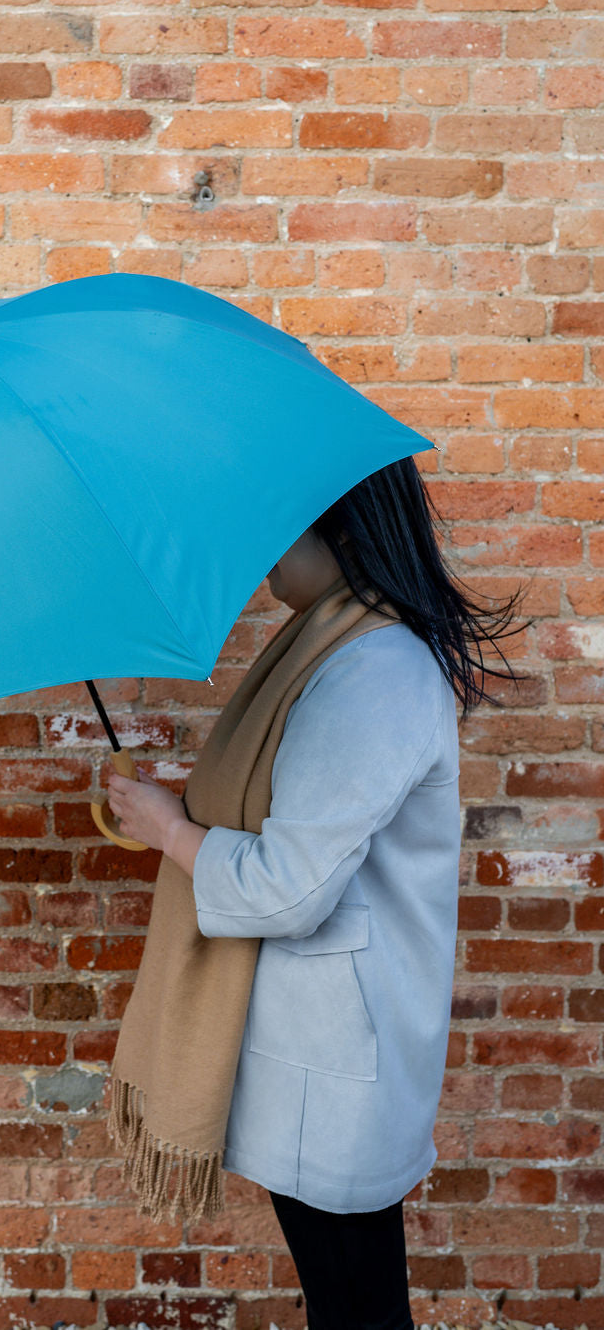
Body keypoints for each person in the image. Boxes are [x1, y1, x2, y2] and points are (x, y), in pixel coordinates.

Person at [106, 455, 528, 1330]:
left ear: (342, 535)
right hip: (325, 1046)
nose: (264, 556)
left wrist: (170, 830)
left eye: (279, 531)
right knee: (348, 1298)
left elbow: (289, 888)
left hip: (338, 1061)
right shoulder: (343, 648)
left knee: (359, 1307)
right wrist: (183, 807)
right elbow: (303, 818)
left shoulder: (368, 671)